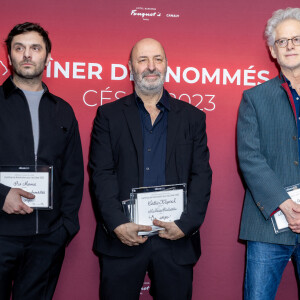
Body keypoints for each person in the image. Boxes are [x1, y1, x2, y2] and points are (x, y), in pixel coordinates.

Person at [89, 37, 212, 299]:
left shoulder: (193, 118)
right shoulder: (108, 116)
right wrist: (117, 224)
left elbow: (201, 175)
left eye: (158, 59)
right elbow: (101, 173)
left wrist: (186, 224)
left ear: (167, 64)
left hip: (175, 237)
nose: (151, 66)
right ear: (131, 67)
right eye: (142, 59)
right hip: (123, 237)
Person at [0, 22, 84, 300]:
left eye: (35, 48)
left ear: (47, 57)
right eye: (19, 48)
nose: (27, 55)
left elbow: (73, 174)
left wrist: (65, 227)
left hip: (47, 238)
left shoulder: (63, 111)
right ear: (8, 56)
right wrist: (1, 195)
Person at [237, 7, 300, 300]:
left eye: (296, 39)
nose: (289, 46)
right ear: (273, 52)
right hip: (268, 225)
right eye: (282, 41)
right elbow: (250, 157)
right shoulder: (254, 98)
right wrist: (285, 204)